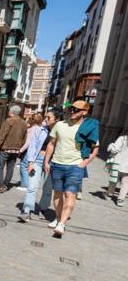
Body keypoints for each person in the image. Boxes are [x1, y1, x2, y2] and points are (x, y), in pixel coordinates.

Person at [43, 100, 98, 236]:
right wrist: (46, 162)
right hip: (57, 164)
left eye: (76, 110)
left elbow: (95, 149)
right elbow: (51, 144)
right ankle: (58, 217)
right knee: (57, 194)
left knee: (69, 194)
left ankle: (61, 223)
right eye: (71, 109)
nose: (72, 111)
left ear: (84, 112)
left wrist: (83, 164)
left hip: (75, 166)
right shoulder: (60, 125)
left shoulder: (90, 127)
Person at [19, 111, 56, 221]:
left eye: (49, 117)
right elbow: (33, 146)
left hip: (52, 162)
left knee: (47, 188)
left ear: (56, 119)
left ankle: (43, 209)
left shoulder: (60, 132)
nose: (46, 119)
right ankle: (27, 210)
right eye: (46, 117)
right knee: (32, 186)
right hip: (38, 160)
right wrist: (30, 162)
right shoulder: (40, 130)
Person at [0, 105, 26, 193]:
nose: (8, 112)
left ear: (12, 112)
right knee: (10, 168)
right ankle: (5, 184)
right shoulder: (24, 123)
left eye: (9, 110)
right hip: (16, 149)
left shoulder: (9, 121)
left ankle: (0, 185)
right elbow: (24, 138)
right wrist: (20, 147)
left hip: (5, 148)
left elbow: (2, 135)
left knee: (0, 167)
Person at [18, 115, 43, 191]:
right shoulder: (41, 129)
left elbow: (28, 142)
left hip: (29, 150)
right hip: (37, 151)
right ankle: (29, 184)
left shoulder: (31, 129)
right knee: (30, 167)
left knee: (24, 167)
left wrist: (21, 150)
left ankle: (24, 185)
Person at [107, 130, 128, 207]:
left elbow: (114, 149)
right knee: (125, 183)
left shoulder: (122, 138)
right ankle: (120, 199)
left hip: (118, 163)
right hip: (125, 166)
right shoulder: (122, 139)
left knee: (113, 179)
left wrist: (111, 146)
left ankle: (109, 194)